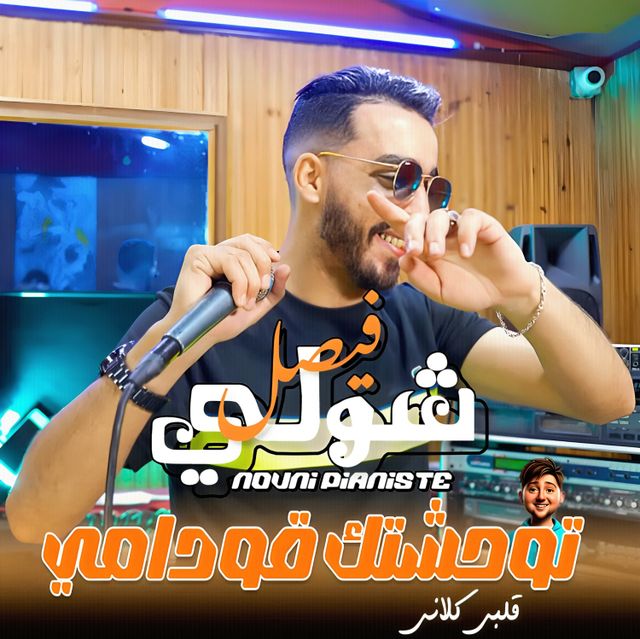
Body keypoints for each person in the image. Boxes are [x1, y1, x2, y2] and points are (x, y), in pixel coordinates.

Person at [6, 66, 635, 544]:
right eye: (399, 179)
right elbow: (34, 517)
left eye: (431, 186)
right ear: (312, 177)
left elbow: (608, 401)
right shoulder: (204, 315)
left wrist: (522, 289)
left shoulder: (425, 315)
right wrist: (170, 342)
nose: (419, 210)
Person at [508, 457, 566, 564]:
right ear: (521, 496)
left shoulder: (569, 540)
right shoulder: (507, 540)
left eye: (549, 490)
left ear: (561, 497)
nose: (541, 497)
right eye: (533, 489)